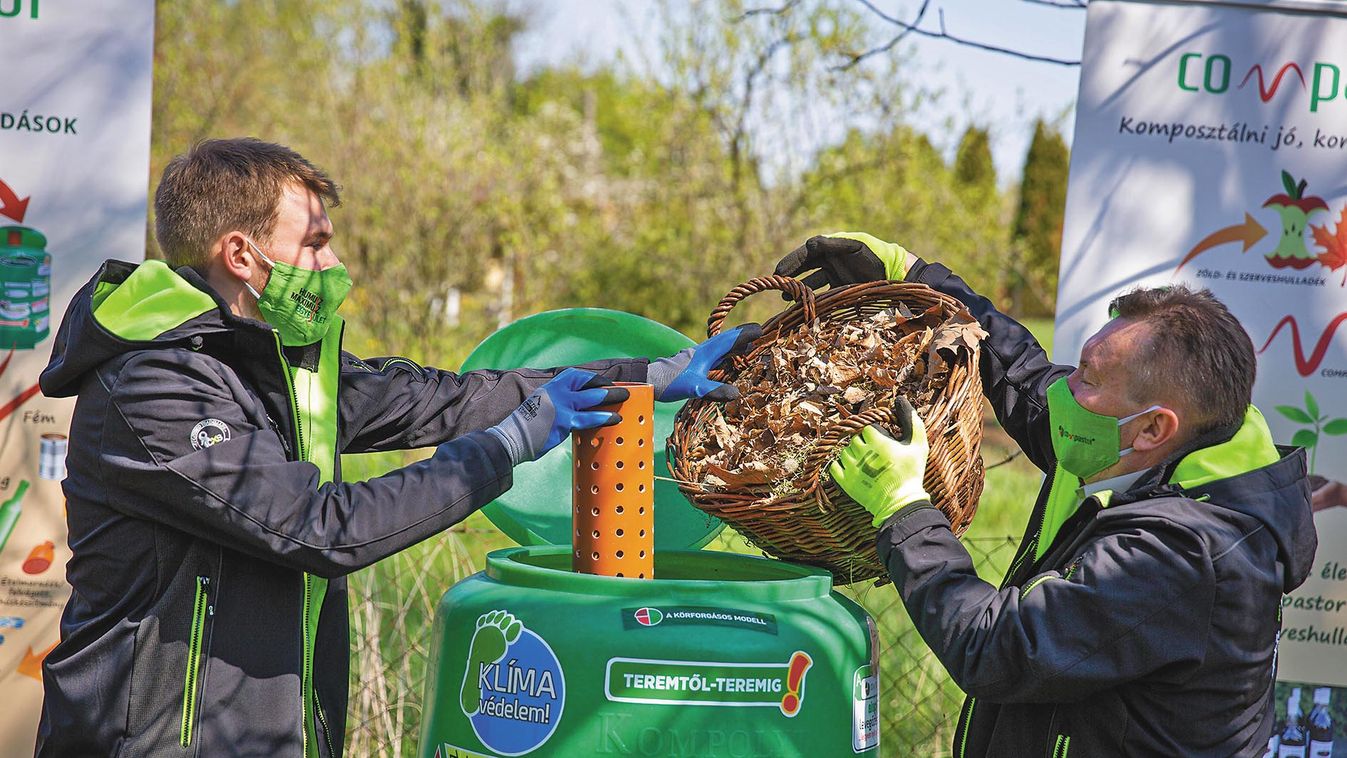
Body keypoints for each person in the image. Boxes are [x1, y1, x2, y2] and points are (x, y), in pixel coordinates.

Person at [35, 137, 760, 757]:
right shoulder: (155, 388)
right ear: (242, 255)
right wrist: (508, 446)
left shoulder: (269, 366)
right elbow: (318, 527)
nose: (334, 262)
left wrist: (643, 376)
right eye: (314, 242)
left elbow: (443, 397)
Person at [777, 233, 1318, 757]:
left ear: (1154, 428)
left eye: (1088, 378)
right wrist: (917, 277)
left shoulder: (1183, 558)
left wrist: (904, 509)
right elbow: (1022, 375)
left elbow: (996, 647)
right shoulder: (1130, 444)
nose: (1066, 389)